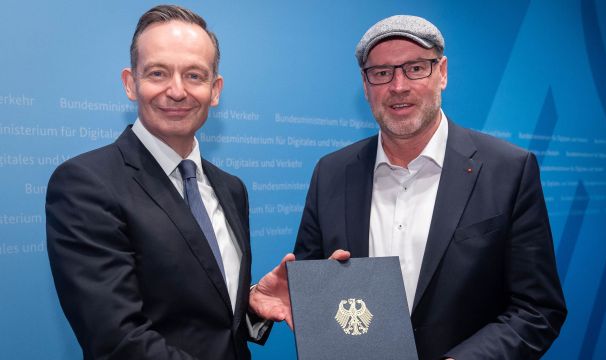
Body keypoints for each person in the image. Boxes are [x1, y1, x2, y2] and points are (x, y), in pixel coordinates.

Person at [293, 15, 567, 360]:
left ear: (443, 73)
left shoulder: (509, 170)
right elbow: (313, 289)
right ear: (365, 86)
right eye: (381, 73)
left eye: (415, 68)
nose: (398, 86)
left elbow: (538, 308)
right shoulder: (331, 173)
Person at [46, 5, 292, 359]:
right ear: (131, 83)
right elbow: (117, 342)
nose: (177, 91)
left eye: (194, 76)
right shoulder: (86, 184)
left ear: (215, 89)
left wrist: (252, 309)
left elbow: (208, 322)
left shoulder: (231, 188)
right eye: (158, 73)